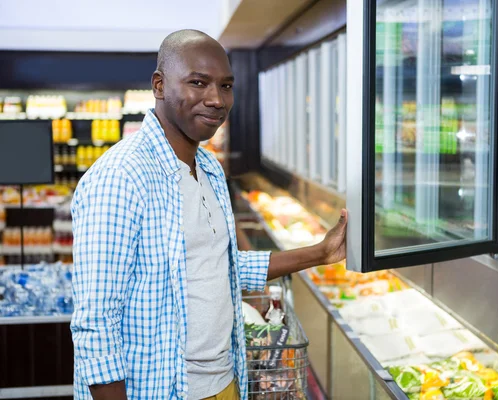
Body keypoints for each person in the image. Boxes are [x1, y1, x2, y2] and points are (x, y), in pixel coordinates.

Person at [70, 29, 347, 400]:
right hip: (161, 390)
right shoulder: (122, 176)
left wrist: (321, 252)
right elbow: (96, 324)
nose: (216, 99)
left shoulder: (210, 169)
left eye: (226, 86)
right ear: (159, 85)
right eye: (198, 83)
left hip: (224, 382)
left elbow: (222, 266)